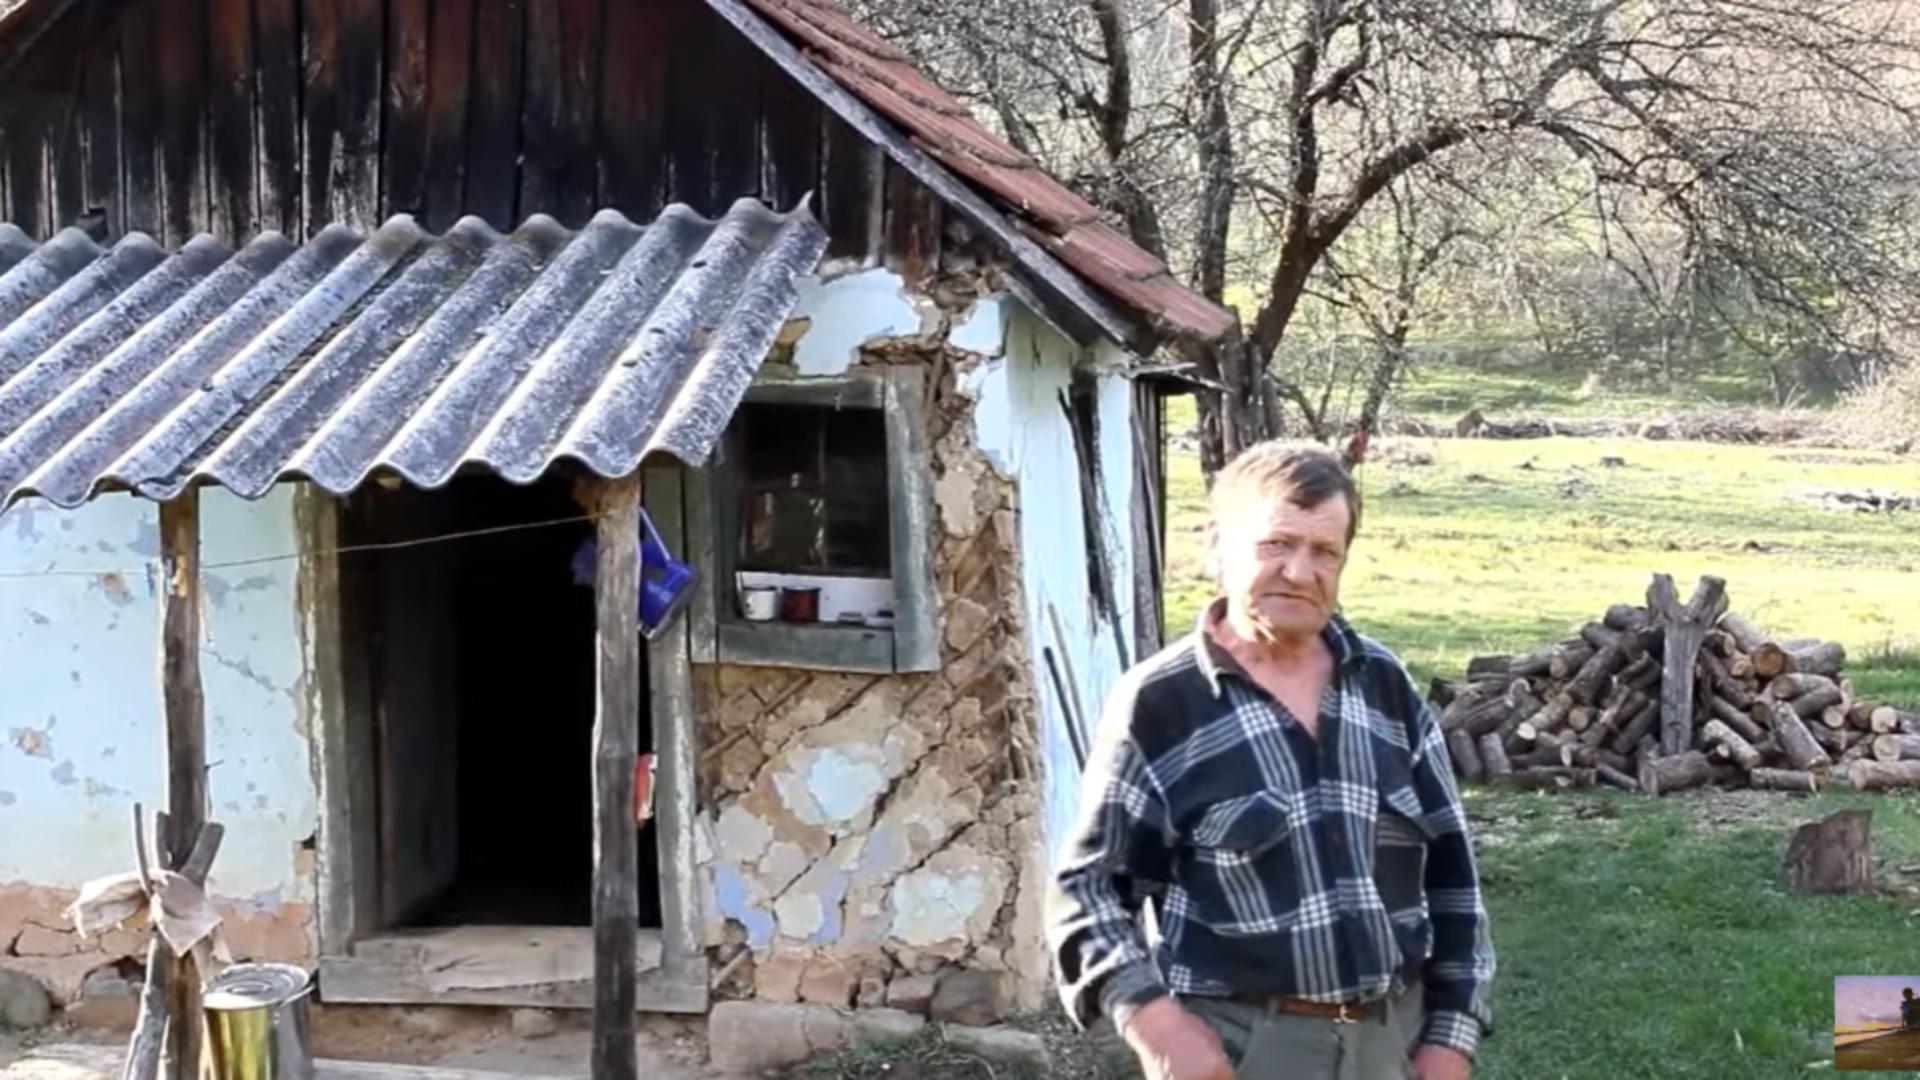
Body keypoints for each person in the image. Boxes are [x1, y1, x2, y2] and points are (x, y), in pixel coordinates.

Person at [1045, 442, 1496, 1080]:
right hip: (1243, 1048)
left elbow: (1454, 876)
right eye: (1275, 544)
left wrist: (1450, 1036)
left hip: (1390, 1042)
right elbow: (1087, 891)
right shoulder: (1162, 703)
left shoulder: (1383, 684)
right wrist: (1158, 1027)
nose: (1299, 572)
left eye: (1324, 552)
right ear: (1217, 548)